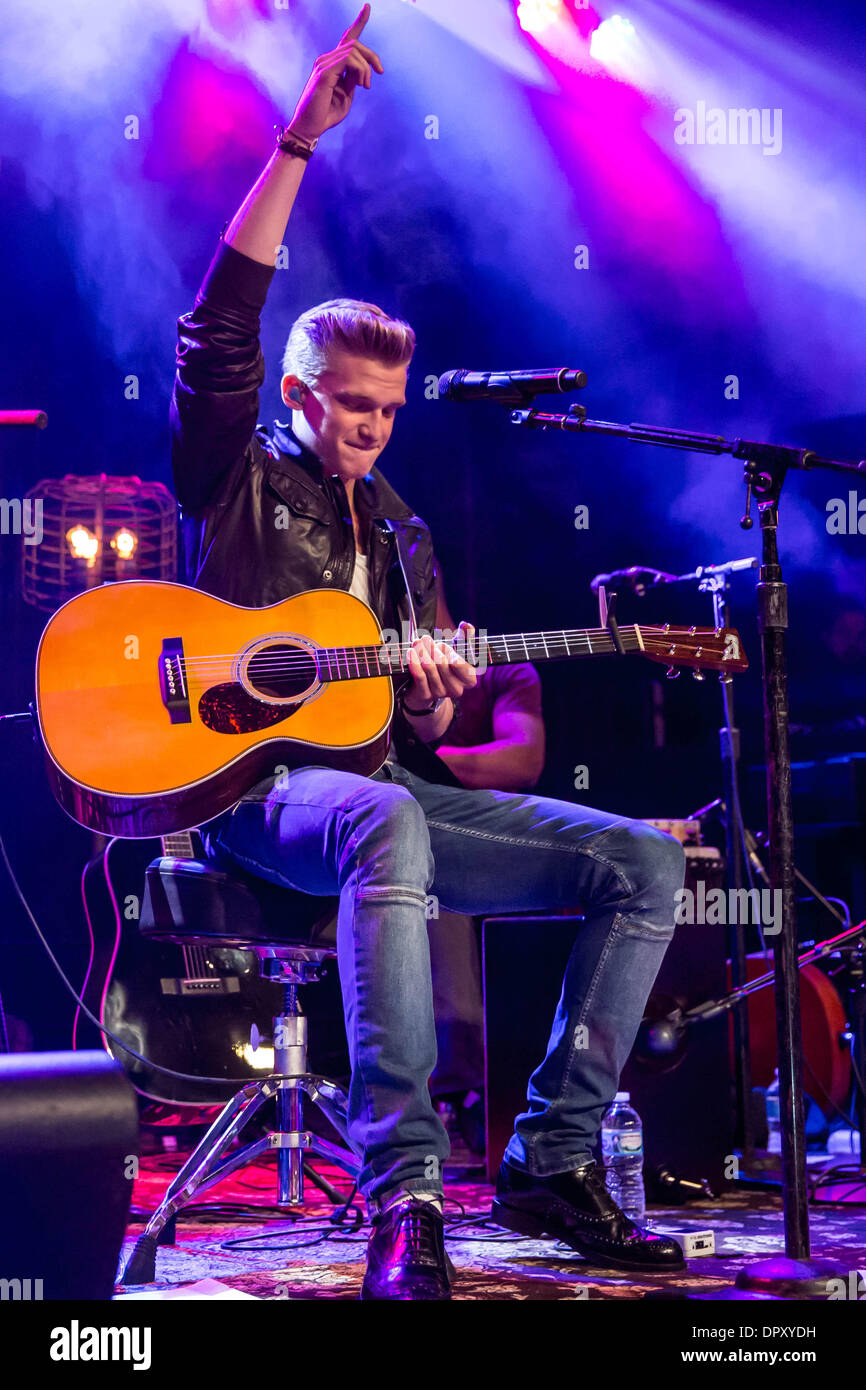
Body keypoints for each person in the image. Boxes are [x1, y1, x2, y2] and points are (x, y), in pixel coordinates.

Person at [172, 5, 686, 1300]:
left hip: (382, 794)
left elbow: (415, 738)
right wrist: (296, 143)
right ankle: (403, 1190)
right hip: (252, 792)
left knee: (632, 857)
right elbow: (215, 333)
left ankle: (550, 1157)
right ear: (300, 397)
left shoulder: (399, 525)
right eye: (352, 405)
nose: (372, 428)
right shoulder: (237, 474)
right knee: (386, 829)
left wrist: (441, 693)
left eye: (389, 410)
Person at [426, 572, 546, 1142]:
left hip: (492, 843)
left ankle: (512, 1100)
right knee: (425, 871)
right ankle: (451, 1090)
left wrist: (419, 771)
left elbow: (522, 761)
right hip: (405, 845)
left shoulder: (504, 663)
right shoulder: (367, 654)